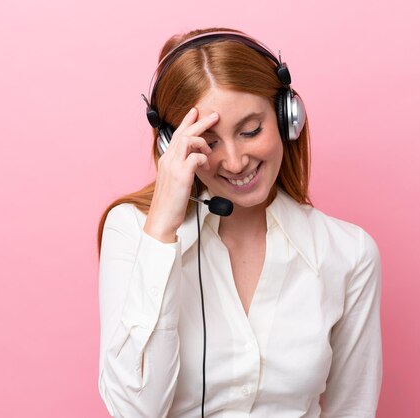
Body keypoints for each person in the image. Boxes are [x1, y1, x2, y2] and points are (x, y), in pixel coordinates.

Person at [96, 27, 382, 418]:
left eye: (250, 131)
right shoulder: (131, 232)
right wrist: (162, 227)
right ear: (172, 145)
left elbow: (353, 409)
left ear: (287, 118)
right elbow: (134, 410)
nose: (234, 162)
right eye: (208, 142)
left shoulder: (349, 253)